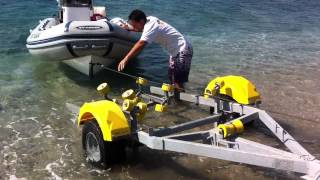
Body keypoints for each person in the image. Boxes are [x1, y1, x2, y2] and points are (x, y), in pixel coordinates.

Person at [117, 9, 193, 91]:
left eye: (135, 25)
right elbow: (142, 29)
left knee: (178, 81)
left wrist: (126, 59)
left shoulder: (150, 26)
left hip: (182, 50)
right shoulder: (150, 19)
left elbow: (141, 43)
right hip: (176, 51)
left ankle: (181, 101)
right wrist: (130, 29)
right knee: (172, 78)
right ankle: (177, 99)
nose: (134, 27)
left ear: (142, 21)